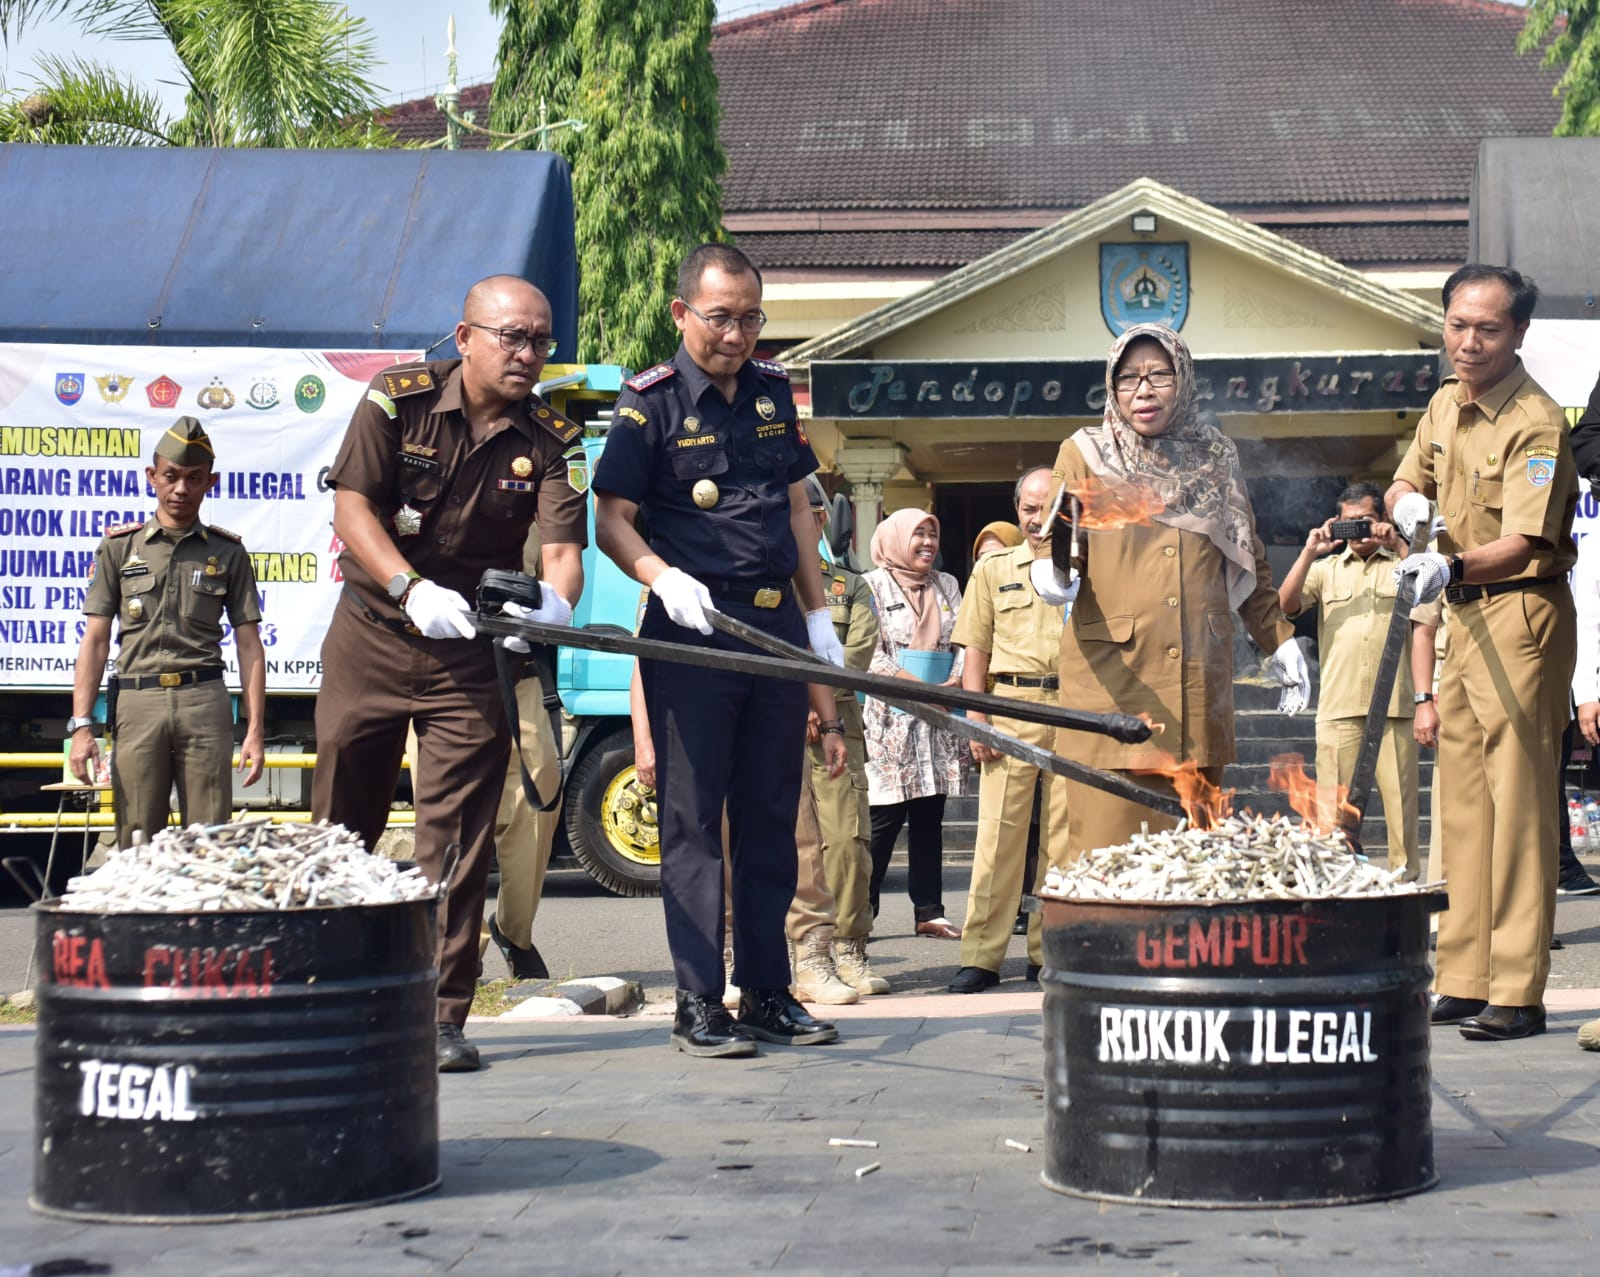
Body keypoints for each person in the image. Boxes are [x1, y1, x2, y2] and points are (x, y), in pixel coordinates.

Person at [312, 275, 586, 1073]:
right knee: (342, 824)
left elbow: (563, 555)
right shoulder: (394, 400)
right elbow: (353, 508)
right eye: (512, 336)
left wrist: (555, 610)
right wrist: (409, 585)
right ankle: (329, 991)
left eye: (540, 340)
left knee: (459, 839)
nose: (529, 353)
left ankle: (438, 1016)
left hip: (469, 652)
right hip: (372, 632)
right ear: (464, 337)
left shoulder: (550, 436)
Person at [593, 242, 847, 1059]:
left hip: (773, 631)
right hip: (693, 629)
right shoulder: (649, 406)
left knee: (772, 816)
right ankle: (700, 1000)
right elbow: (611, 519)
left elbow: (797, 512)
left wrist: (818, 622)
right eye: (720, 318)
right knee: (694, 823)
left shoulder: (775, 395)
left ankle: (769, 990)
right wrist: (660, 575)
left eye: (750, 319)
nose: (737, 335)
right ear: (681, 314)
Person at [1386, 263, 1578, 1042]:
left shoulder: (1535, 419)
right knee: (1461, 804)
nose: (1468, 341)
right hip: (1460, 619)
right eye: (1458, 324)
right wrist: (1408, 508)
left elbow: (1531, 538)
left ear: (1519, 333)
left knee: (1520, 806)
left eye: (1488, 328)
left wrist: (1454, 563)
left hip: (1519, 614)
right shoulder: (1442, 403)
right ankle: (1463, 973)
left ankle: (1519, 986)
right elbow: (1402, 479)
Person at [1031, 322, 1306, 858]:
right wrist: (1051, 569)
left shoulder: (1216, 457)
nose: (1144, 390)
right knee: (1109, 862)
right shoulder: (1084, 452)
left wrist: (1281, 639)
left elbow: (1246, 553)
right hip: (1115, 685)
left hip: (1198, 687)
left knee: (1192, 868)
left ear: (1184, 380)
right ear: (1111, 388)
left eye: (1159, 374)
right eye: (1129, 378)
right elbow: (1057, 532)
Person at [68, 417, 266, 847]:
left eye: (194, 479)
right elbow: (96, 640)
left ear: (210, 482)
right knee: (137, 839)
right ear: (151, 477)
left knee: (209, 841)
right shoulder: (120, 548)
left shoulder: (226, 552)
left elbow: (250, 644)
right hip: (138, 704)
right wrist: (81, 725)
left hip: (204, 701)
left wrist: (254, 730)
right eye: (171, 477)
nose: (180, 489)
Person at [947, 465, 1067, 992]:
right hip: (1012, 704)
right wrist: (976, 718)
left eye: (1047, 507)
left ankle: (1051, 950)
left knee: (1066, 840)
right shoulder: (995, 567)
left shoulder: (1086, 564)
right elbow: (975, 644)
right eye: (1028, 508)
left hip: (1074, 707)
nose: (1036, 519)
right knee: (998, 836)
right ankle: (982, 955)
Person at [1276, 481, 1421, 878]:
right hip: (1339, 711)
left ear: (1383, 521)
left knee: (1402, 816)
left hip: (1394, 707)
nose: (1358, 530)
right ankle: (1333, 890)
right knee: (1331, 819)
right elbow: (1286, 605)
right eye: (1348, 522)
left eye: (1366, 522)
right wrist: (1309, 550)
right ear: (1335, 524)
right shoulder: (1324, 570)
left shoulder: (1403, 565)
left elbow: (1432, 592)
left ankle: (1404, 893)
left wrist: (1400, 545)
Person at [862, 507, 972, 937]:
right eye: (918, 535)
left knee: (930, 816)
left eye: (932, 534)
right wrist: (915, 687)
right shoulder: (870, 585)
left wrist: (956, 679)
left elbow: (965, 637)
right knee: (883, 819)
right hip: (891, 717)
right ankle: (861, 911)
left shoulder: (947, 585)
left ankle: (929, 910)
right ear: (893, 539)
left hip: (939, 715)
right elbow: (867, 652)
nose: (928, 542)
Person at [802, 476, 890, 996]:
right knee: (789, 846)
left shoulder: (851, 587)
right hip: (776, 724)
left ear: (818, 522)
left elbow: (855, 656)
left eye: (812, 514)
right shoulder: (765, 583)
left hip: (838, 728)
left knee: (849, 842)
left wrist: (819, 704)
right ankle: (803, 955)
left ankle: (850, 949)